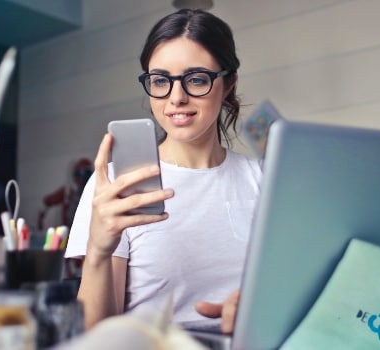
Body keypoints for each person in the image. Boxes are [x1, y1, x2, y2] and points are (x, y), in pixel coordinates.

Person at [65, 9, 262, 334]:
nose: (176, 97)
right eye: (160, 80)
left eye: (196, 79)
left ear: (228, 83)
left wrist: (259, 307)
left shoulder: (264, 180)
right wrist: (99, 251)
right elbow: (97, 337)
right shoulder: (117, 185)